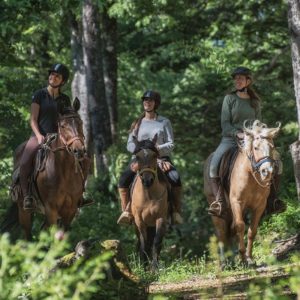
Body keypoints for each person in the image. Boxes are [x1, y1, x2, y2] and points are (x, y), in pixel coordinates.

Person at [208, 66, 284, 218]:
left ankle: (272, 200)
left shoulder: (255, 101)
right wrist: (237, 133)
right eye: (236, 78)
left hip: (254, 139)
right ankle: (220, 202)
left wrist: (260, 134)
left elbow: (259, 122)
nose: (237, 81)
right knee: (213, 165)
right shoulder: (229, 99)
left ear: (248, 81)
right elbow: (225, 123)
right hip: (231, 139)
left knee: (278, 162)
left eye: (240, 78)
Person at [19, 63, 93, 210]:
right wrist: (39, 135)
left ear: (63, 81)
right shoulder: (39, 95)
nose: (53, 77)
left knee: (84, 160)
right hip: (39, 135)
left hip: (60, 138)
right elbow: (33, 119)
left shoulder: (65, 99)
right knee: (25, 161)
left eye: (57, 76)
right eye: (52, 74)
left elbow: (67, 121)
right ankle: (27, 195)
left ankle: (80, 194)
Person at [117, 90, 183, 225]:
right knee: (123, 179)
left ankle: (175, 211)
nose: (147, 102)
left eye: (150, 100)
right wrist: (135, 150)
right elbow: (130, 142)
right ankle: (126, 211)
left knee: (175, 178)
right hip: (140, 160)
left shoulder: (164, 122)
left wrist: (157, 149)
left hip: (160, 159)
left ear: (156, 103)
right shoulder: (137, 123)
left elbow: (171, 144)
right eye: (145, 100)